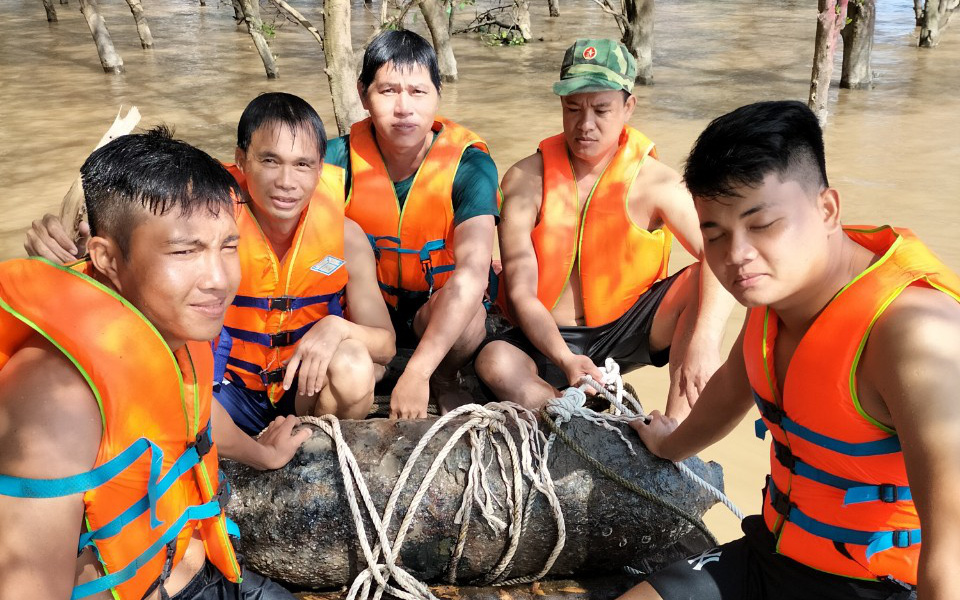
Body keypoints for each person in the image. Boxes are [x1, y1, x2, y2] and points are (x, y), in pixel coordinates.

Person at [621, 100, 960, 600]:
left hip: (881, 585)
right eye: (714, 234)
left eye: (762, 225)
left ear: (827, 210)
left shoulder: (914, 335)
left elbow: (950, 551)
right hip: (773, 558)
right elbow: (729, 393)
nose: (736, 256)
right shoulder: (774, 297)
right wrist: (668, 444)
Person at [0, 128, 299, 599]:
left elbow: (187, 416)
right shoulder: (54, 397)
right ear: (107, 259)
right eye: (185, 250)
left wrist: (264, 453)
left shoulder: (174, 328)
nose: (219, 280)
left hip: (210, 575)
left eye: (227, 246)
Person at [24, 93, 396, 437]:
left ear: (319, 170)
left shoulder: (345, 236)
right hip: (225, 388)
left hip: (302, 391)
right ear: (241, 158)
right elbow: (130, 242)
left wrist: (335, 328)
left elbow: (386, 345)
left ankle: (313, 451)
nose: (286, 182)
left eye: (302, 165)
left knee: (354, 365)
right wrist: (68, 246)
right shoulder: (205, 220)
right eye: (270, 161)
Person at [475, 39, 732, 417]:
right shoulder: (524, 180)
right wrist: (564, 359)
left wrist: (704, 344)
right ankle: (567, 415)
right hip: (548, 333)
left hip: (626, 328)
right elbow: (521, 291)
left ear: (628, 107)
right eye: (573, 108)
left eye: (601, 109)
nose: (585, 125)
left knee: (700, 279)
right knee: (495, 361)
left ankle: (674, 427)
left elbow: (723, 252)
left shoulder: (659, 183)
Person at [324, 29, 500, 419]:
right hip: (366, 310)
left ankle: (445, 376)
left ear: (438, 94)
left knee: (470, 314)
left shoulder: (470, 165)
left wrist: (419, 373)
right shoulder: (334, 160)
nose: (404, 107)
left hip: (433, 306)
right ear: (362, 93)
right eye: (387, 91)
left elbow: (473, 274)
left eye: (418, 92)